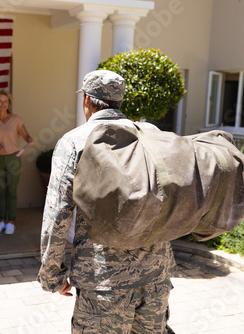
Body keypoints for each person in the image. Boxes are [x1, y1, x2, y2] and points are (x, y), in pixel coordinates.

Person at [38, 70, 176, 333]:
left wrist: (53, 276)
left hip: (104, 282)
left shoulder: (75, 142)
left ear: (87, 101)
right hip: (156, 278)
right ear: (119, 101)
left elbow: (57, 214)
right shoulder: (151, 134)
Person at [0, 90, 34, 235]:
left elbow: (25, 135)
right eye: (0, 101)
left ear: (9, 104)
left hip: (13, 157)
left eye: (5, 101)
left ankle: (11, 222)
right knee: (1, 191)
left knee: (12, 191)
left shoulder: (16, 119)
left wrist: (29, 140)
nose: (2, 104)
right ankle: (1, 220)